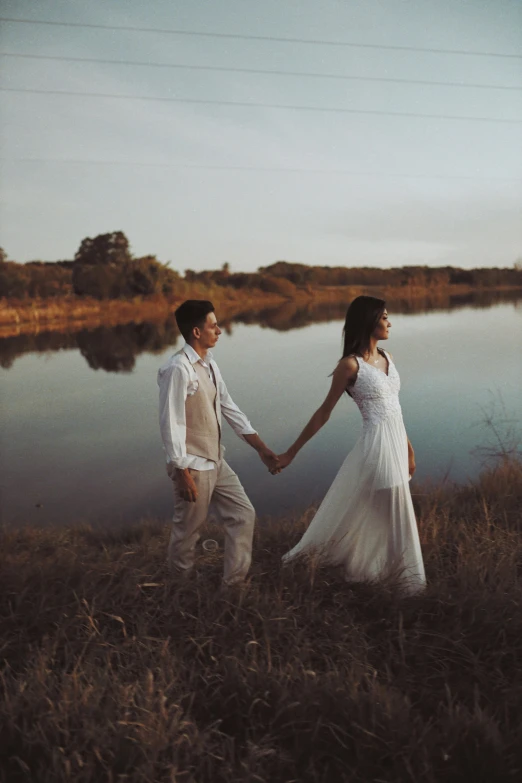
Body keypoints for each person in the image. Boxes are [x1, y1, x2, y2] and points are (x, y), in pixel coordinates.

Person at [276, 296, 426, 594]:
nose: (389, 322)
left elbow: (395, 408)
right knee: (395, 511)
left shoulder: (388, 356)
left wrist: (408, 448)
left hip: (396, 443)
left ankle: (366, 566)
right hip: (377, 447)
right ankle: (405, 584)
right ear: (369, 321)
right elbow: (323, 412)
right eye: (384, 317)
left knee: (379, 511)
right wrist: (291, 452)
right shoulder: (349, 366)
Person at [158, 300, 279, 586]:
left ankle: (234, 586)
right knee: (188, 531)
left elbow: (229, 407)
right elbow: (170, 422)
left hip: (216, 460)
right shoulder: (177, 369)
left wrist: (262, 449)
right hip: (192, 465)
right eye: (214, 325)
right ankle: (179, 588)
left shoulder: (210, 364)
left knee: (243, 514)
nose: (220, 331)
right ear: (197, 332)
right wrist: (181, 470)